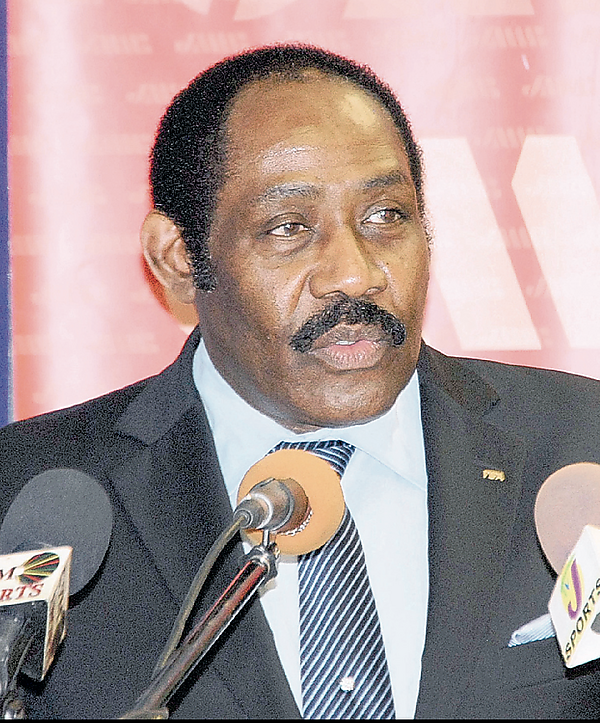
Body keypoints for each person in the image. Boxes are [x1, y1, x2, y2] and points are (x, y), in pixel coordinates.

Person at [1, 43, 600, 719]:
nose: (355, 274)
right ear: (177, 259)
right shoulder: (25, 501)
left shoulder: (582, 447)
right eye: (288, 227)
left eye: (385, 216)